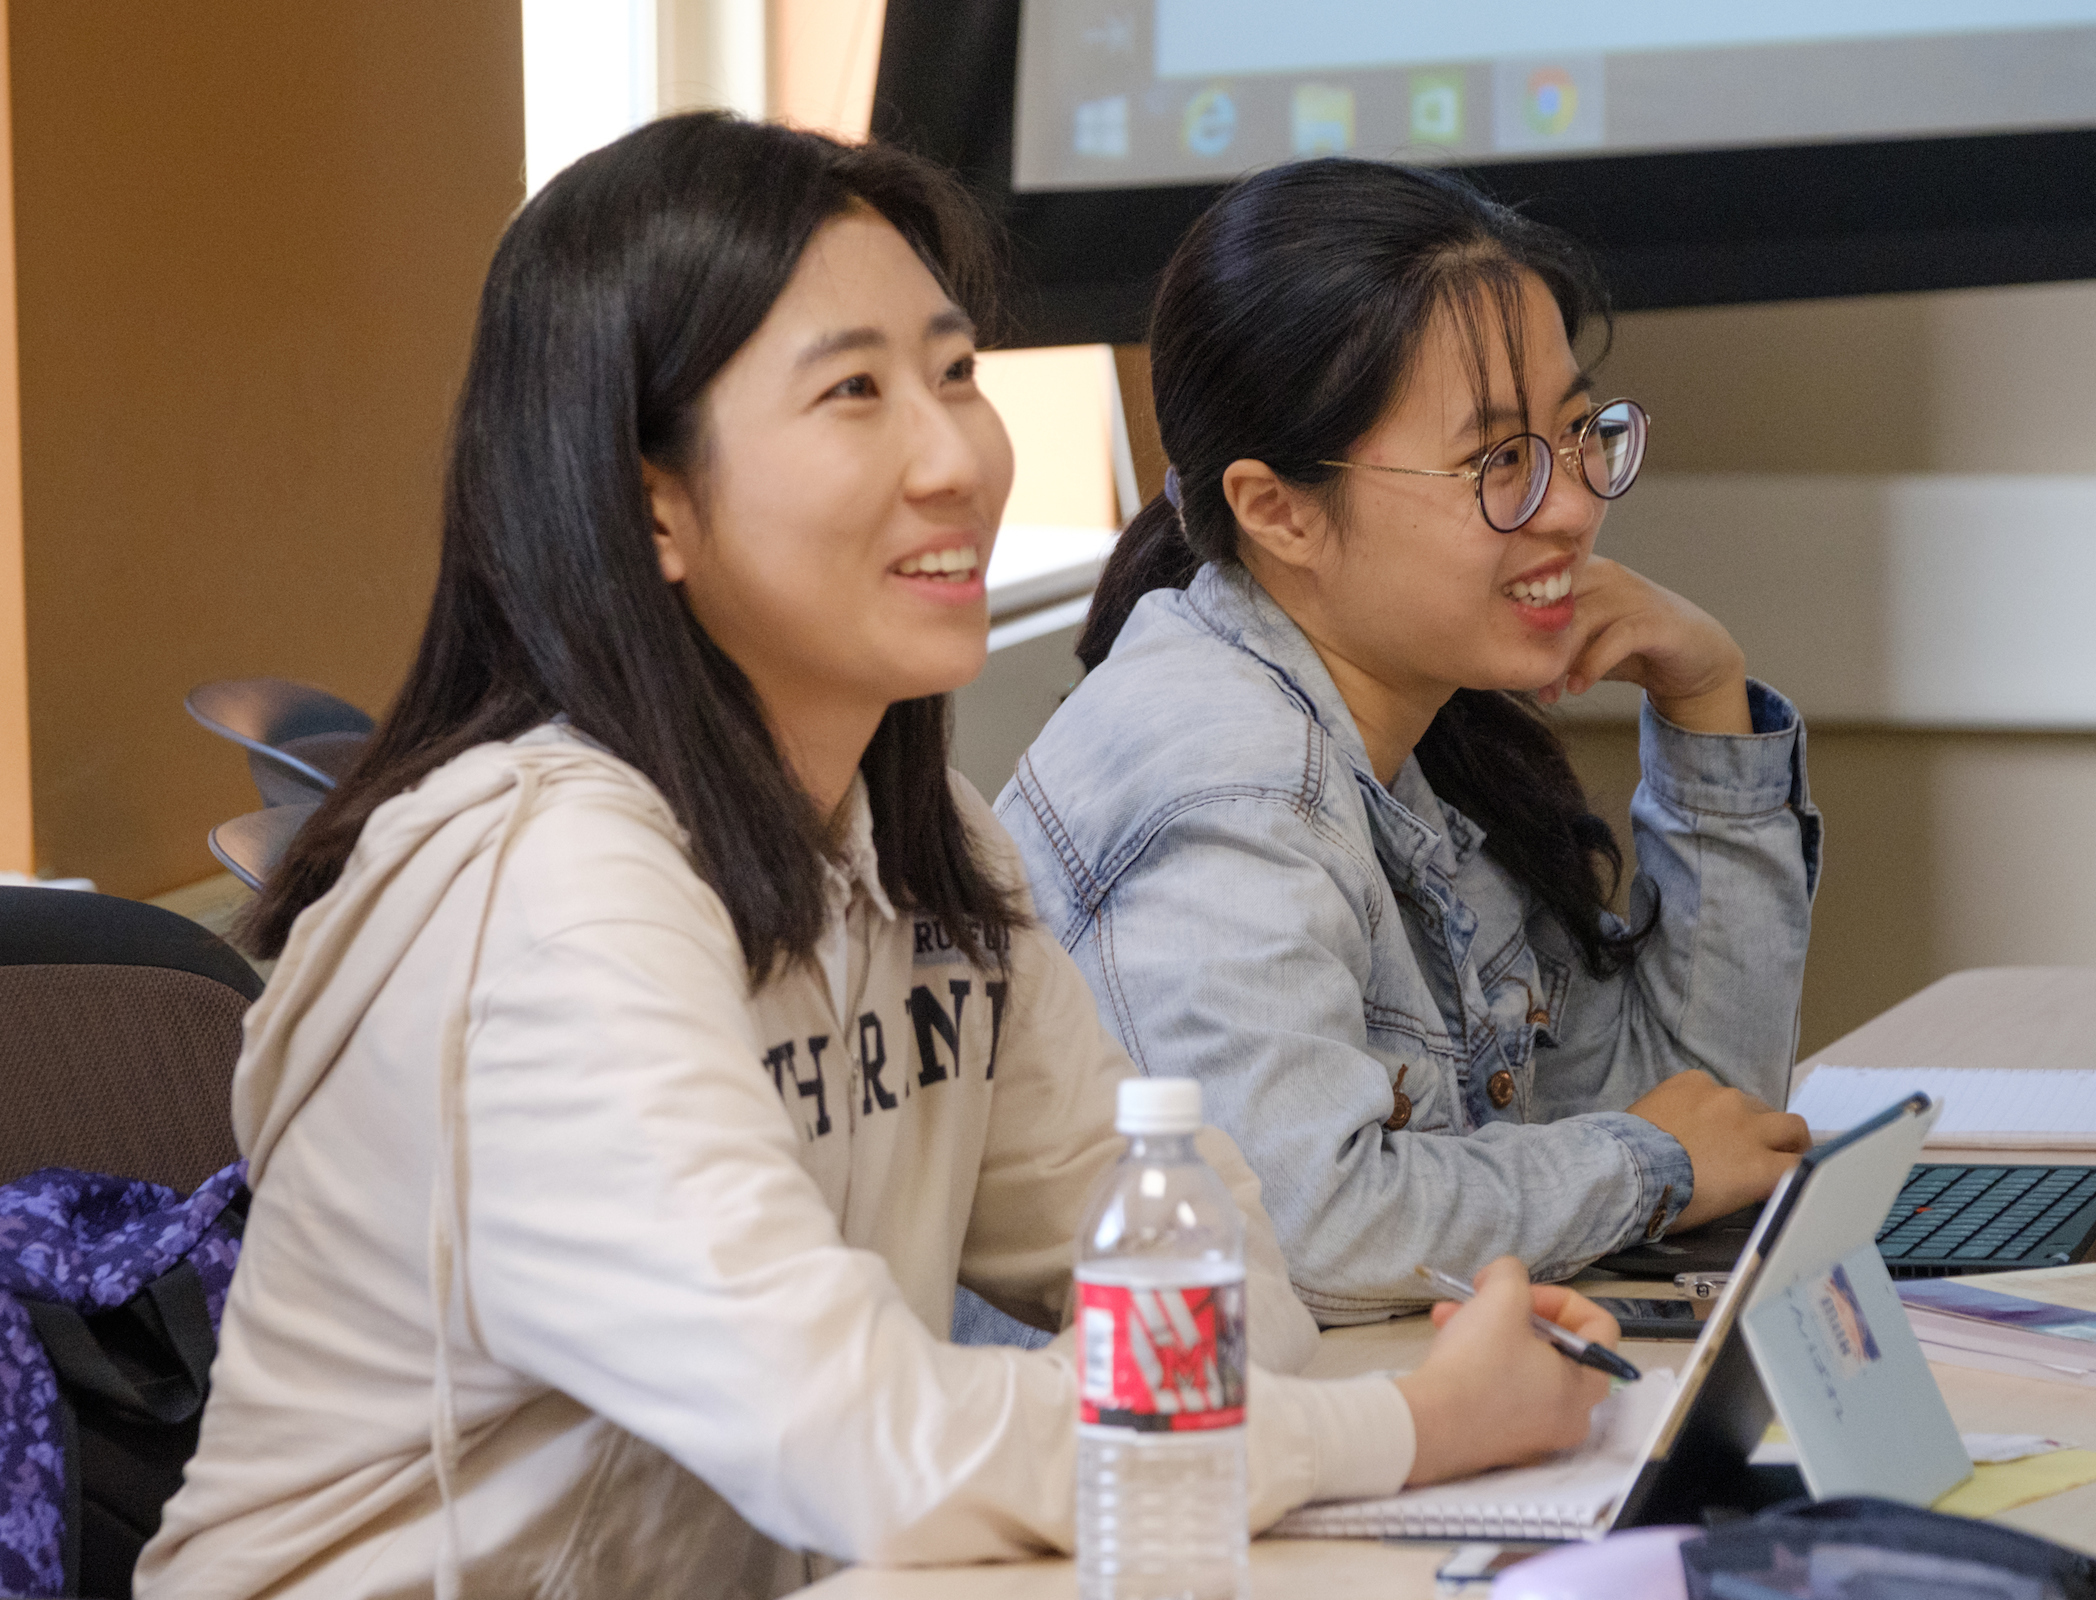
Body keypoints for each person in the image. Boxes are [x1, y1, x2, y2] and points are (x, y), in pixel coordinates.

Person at [136, 118, 1623, 1597]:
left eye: (957, 373)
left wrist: (1353, 1410)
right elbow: (854, 1435)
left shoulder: (921, 840)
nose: (956, 456)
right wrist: (1407, 1426)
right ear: (651, 499)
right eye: (855, 390)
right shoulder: (549, 888)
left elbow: (1188, 1260)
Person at [994, 158, 1819, 1326]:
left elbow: (1708, 1109)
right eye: (1498, 462)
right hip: (1143, 1488)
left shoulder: (1426, 728)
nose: (1574, 505)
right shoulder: (1222, 775)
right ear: (1278, 510)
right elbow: (1300, 1229)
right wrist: (1648, 1166)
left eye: (1579, 432)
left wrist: (1705, 700)